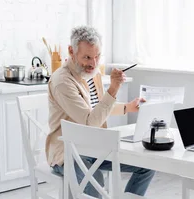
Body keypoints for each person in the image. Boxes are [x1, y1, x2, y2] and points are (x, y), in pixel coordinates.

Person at [46, 26, 155, 198]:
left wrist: (127, 107)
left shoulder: (92, 73)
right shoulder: (62, 81)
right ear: (71, 51)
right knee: (96, 183)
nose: (93, 63)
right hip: (69, 152)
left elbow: (99, 109)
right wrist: (113, 89)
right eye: (87, 57)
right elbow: (90, 121)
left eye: (97, 56)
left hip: (94, 147)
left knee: (146, 166)